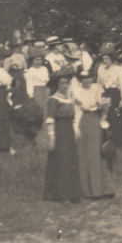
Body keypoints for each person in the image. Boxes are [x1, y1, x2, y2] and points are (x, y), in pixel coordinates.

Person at [73, 69, 116, 198]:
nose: (87, 80)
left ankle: (102, 189)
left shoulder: (97, 88)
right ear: (80, 80)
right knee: (85, 154)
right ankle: (88, 190)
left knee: (98, 153)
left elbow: (104, 105)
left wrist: (103, 116)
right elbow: (81, 108)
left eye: (89, 77)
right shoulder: (77, 91)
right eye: (84, 78)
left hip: (97, 120)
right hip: (84, 121)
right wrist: (75, 128)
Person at [43, 69, 83, 202]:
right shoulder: (53, 100)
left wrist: (75, 130)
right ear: (57, 84)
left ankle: (72, 193)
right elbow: (49, 120)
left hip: (69, 131)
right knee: (61, 161)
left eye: (67, 83)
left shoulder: (68, 99)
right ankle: (59, 194)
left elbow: (72, 117)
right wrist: (52, 138)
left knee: (70, 161)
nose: (65, 86)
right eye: (62, 83)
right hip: (59, 131)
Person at [97, 44, 122, 147]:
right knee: (104, 116)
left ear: (111, 59)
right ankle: (105, 140)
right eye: (103, 59)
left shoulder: (118, 69)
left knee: (115, 116)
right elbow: (98, 83)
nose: (104, 61)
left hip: (115, 94)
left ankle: (118, 141)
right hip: (104, 93)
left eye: (106, 59)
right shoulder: (101, 69)